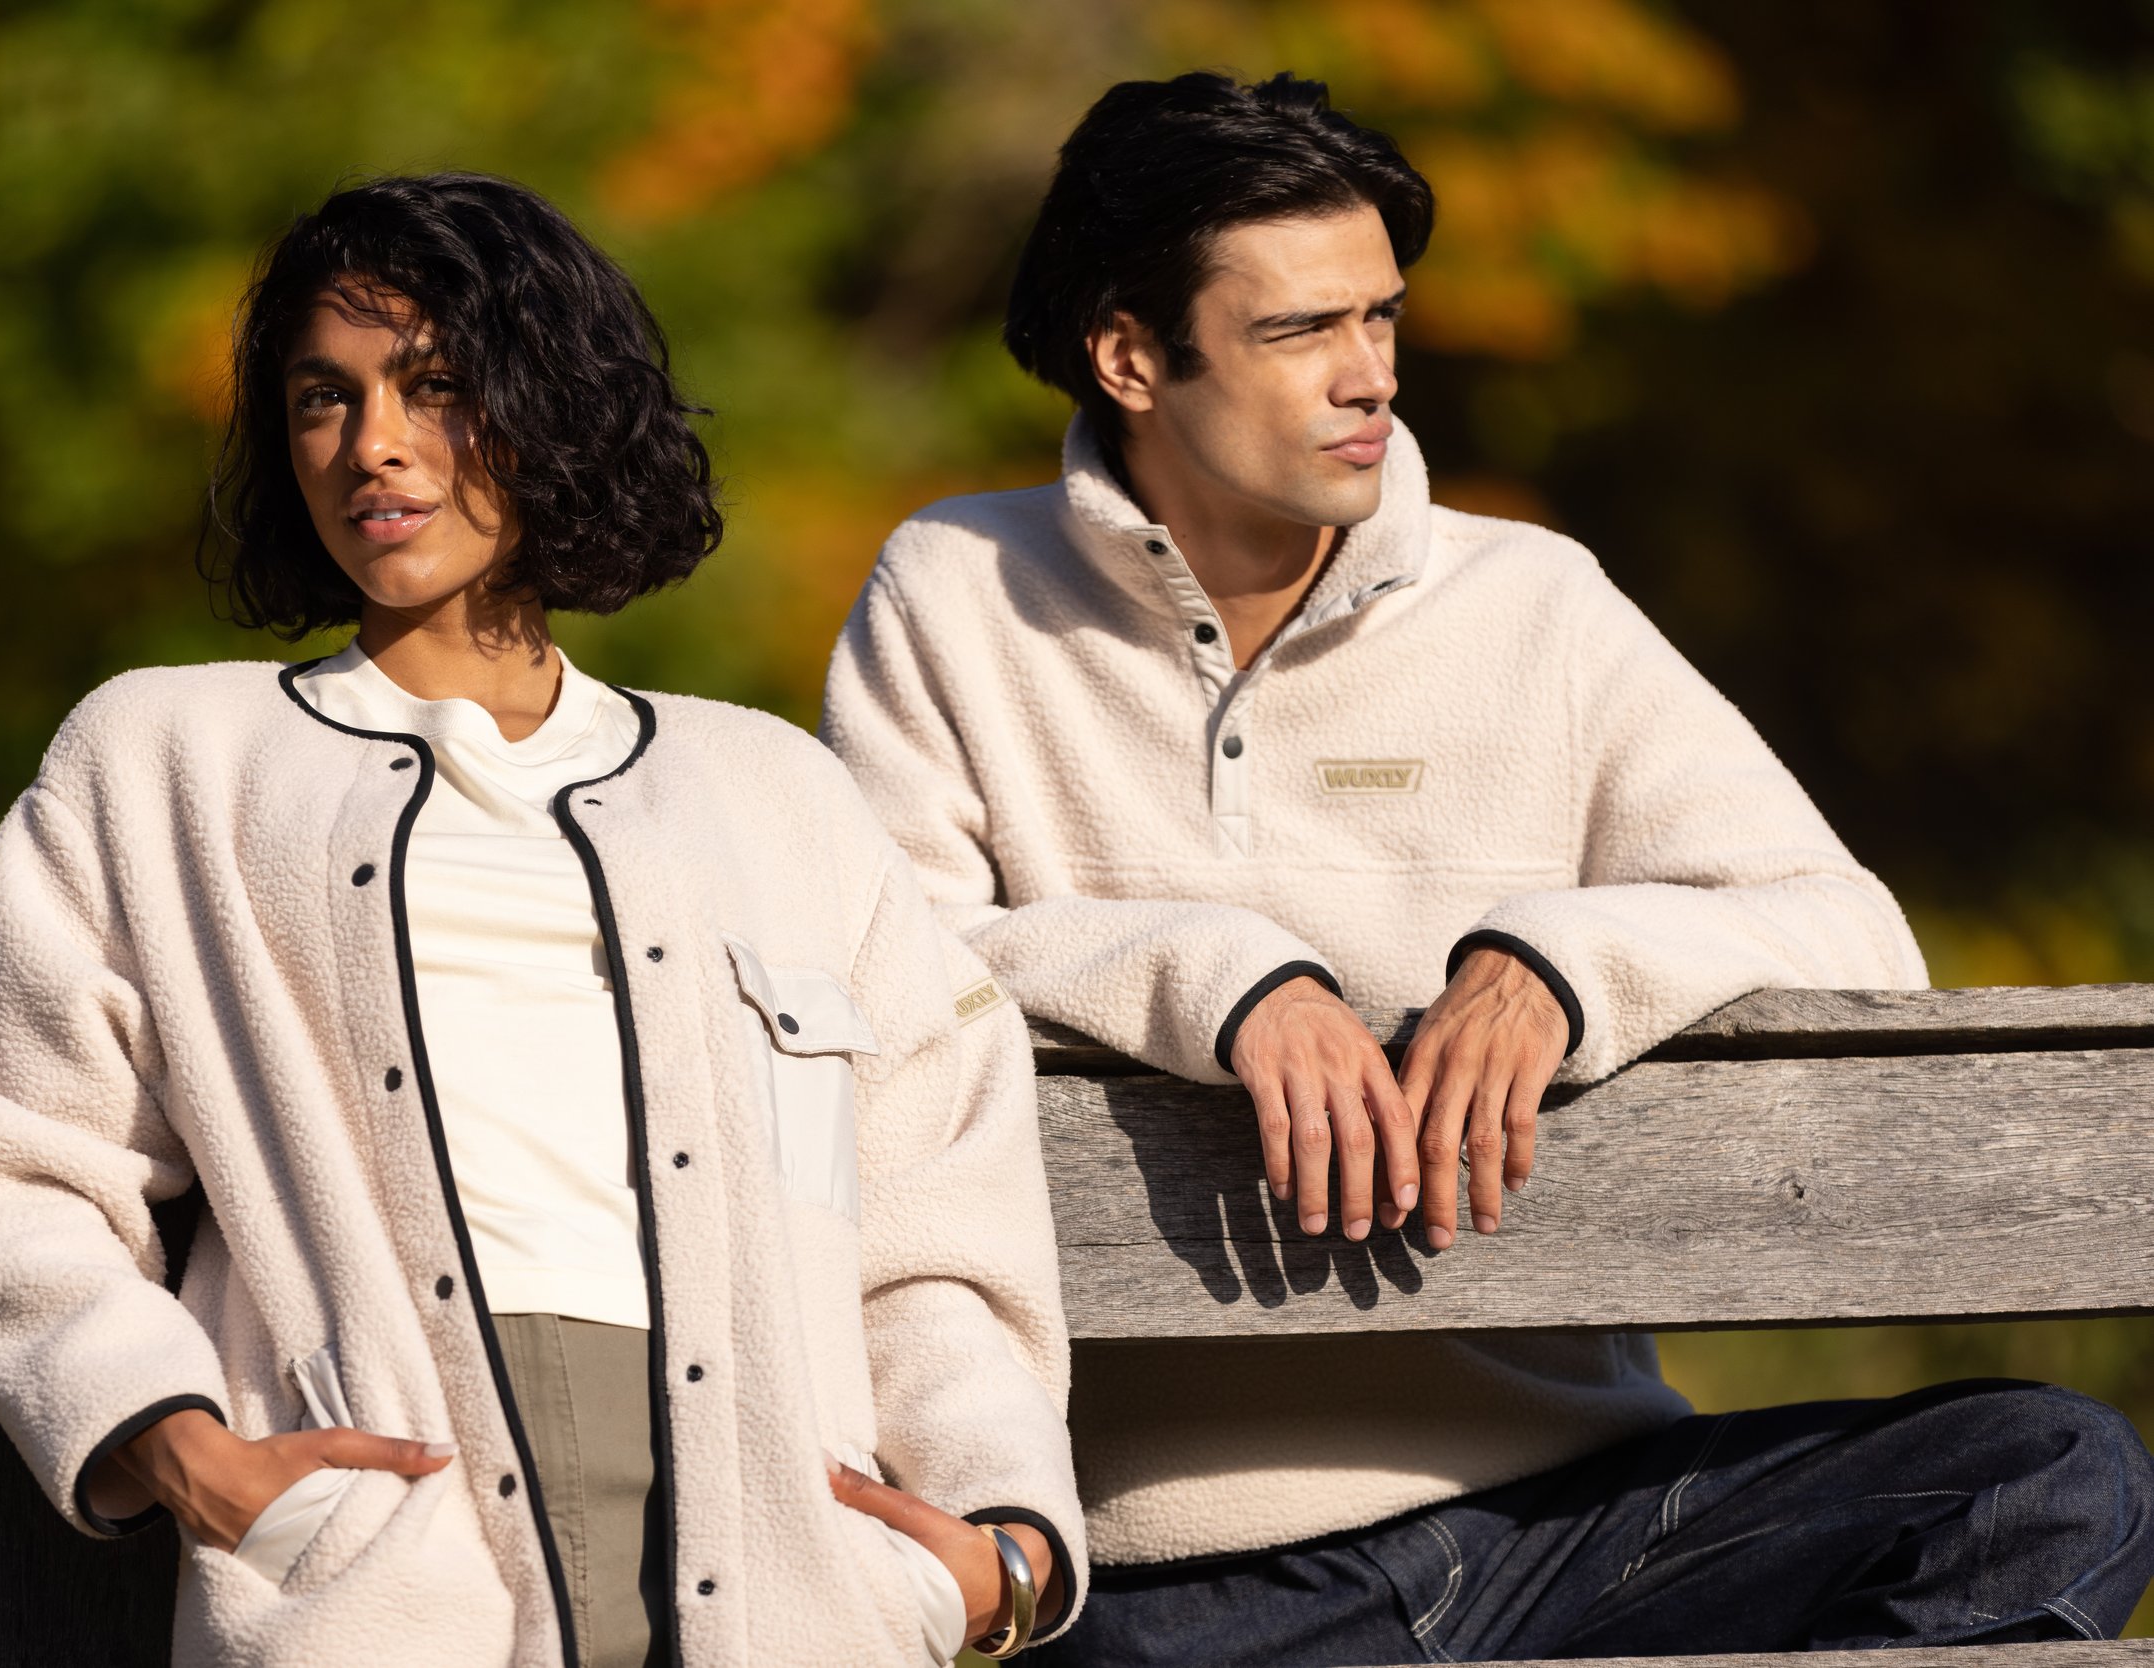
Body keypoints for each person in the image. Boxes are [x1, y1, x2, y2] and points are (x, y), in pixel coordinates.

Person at [820, 71, 2154, 1661]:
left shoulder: (1537, 601)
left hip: (1585, 1521)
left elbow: (1855, 930)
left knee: (2047, 1473)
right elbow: (878, 960)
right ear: (1130, 358)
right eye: (1299, 331)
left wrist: (1553, 966)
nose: (1369, 376)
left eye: (1382, 318)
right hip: (1189, 1595)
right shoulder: (955, 591)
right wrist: (1217, 975)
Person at [0, 172, 1083, 1668]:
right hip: (388, 1575)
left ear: (553, 405)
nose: (371, 445)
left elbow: (933, 1226)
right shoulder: (167, 767)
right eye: (323, 399)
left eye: (434, 386)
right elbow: (10, 1156)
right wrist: (181, 1450)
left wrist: (1002, 1554)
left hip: (790, 1577)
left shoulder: (773, 795)